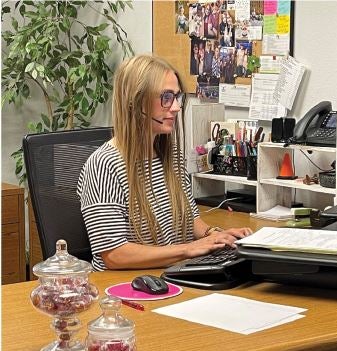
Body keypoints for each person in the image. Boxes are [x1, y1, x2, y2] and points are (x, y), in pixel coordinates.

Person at [77, 54, 252, 271]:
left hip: (170, 274)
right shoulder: (104, 165)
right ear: (135, 102)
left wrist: (213, 235)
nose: (177, 107)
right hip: (127, 286)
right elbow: (114, 255)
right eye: (166, 97)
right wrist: (189, 249)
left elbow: (188, 219)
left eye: (177, 97)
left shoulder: (171, 156)